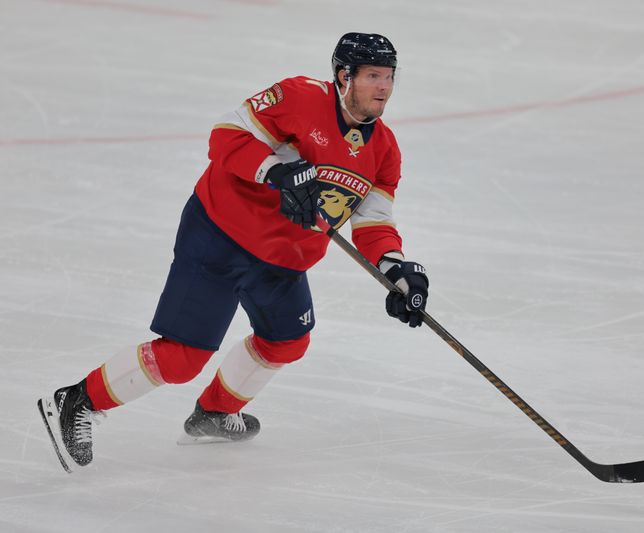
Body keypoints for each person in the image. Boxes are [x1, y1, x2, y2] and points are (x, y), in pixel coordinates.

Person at [37, 32, 430, 473]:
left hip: (282, 260)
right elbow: (225, 136)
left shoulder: (384, 150)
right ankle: (75, 400)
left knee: (287, 340)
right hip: (221, 236)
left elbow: (374, 221)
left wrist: (395, 270)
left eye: (389, 77)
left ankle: (214, 413)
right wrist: (275, 171)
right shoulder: (298, 97)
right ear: (344, 77)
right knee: (182, 358)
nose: (383, 88)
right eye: (373, 76)